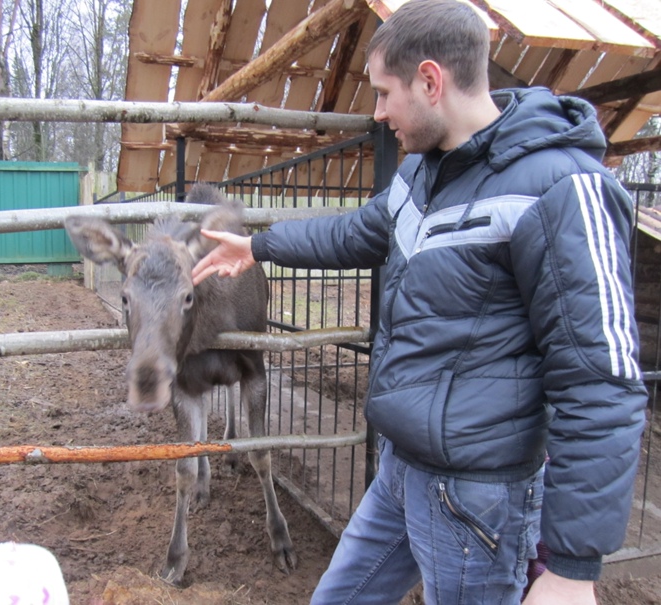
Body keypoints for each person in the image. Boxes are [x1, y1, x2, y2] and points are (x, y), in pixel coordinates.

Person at [191, 0, 648, 603]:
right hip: (402, 469)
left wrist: (571, 568)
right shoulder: (422, 176)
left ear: (430, 81)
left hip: (478, 499)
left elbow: (600, 380)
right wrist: (258, 246)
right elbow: (357, 231)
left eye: (385, 93)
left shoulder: (560, 189)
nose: (379, 113)